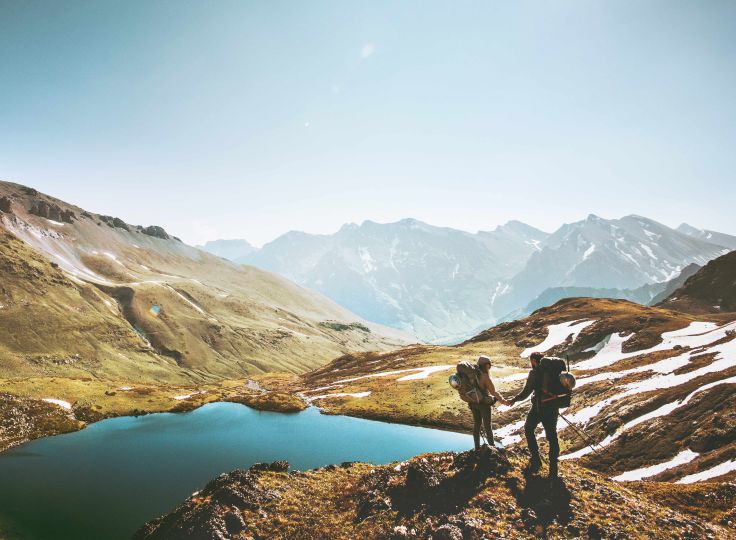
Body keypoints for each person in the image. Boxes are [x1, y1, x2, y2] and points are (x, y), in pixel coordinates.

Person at [508, 351, 560, 478]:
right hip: (554, 407)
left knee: (529, 428)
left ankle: (536, 459)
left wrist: (514, 399)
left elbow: (526, 391)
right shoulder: (555, 370)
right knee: (552, 435)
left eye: (531, 361)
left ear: (534, 361)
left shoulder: (535, 372)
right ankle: (553, 469)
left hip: (539, 407)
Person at [469, 355, 507, 450]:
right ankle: (492, 448)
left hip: (473, 403)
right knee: (487, 427)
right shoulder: (485, 376)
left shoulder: (472, 375)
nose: (490, 367)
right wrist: (503, 401)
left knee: (476, 425)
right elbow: (493, 392)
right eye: (489, 365)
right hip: (483, 404)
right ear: (486, 365)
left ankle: (477, 448)